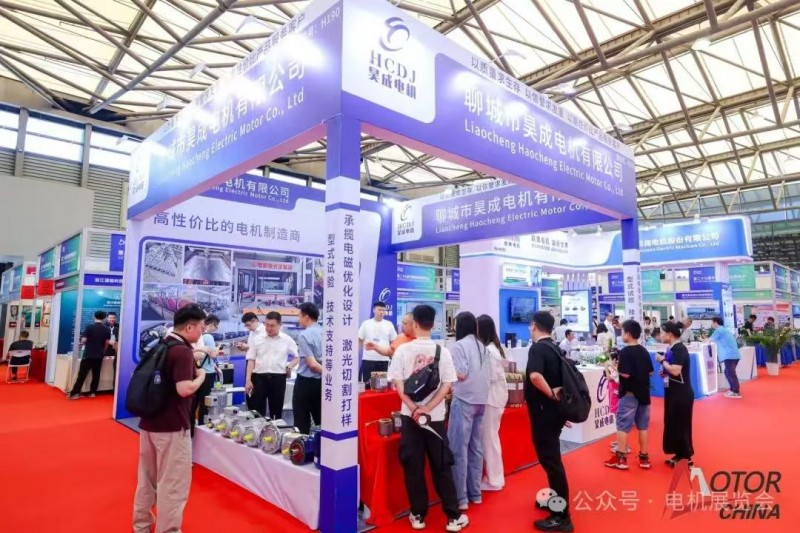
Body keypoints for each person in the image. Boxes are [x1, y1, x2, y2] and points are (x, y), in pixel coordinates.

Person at [388, 304, 469, 532]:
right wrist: (427, 409)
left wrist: (414, 408)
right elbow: (447, 385)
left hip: (410, 418)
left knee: (413, 467)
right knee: (442, 466)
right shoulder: (442, 351)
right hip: (435, 419)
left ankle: (418, 515)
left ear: (414, 324)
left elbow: (399, 386)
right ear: (433, 325)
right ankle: (453, 517)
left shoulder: (403, 351)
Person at [133, 304, 207, 533]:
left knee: (146, 479)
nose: (202, 332)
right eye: (201, 328)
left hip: (149, 423)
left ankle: (141, 525)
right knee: (173, 483)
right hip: (172, 427)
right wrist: (201, 376)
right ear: (190, 327)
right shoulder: (182, 352)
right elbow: (184, 389)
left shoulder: (161, 345)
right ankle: (168, 530)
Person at [525, 311, 572, 532]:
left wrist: (551, 396)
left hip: (544, 414)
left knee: (552, 463)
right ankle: (556, 502)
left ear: (534, 326)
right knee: (551, 461)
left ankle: (562, 516)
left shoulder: (538, 349)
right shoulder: (554, 347)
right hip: (553, 414)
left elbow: (535, 376)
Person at [448, 311, 490, 511]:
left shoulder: (458, 346)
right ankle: (475, 493)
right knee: (476, 447)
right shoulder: (482, 345)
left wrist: (446, 371)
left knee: (459, 449)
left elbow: (461, 373)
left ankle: (461, 497)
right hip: (481, 399)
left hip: (464, 399)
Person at [605, 320, 654, 470]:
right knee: (643, 427)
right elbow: (650, 372)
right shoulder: (644, 351)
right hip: (644, 394)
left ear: (628, 334)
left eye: (622, 332)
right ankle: (644, 458)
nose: (621, 335)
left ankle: (620, 458)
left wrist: (612, 366)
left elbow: (625, 374)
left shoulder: (626, 352)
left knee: (622, 426)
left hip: (629, 394)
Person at [245, 311, 298, 419]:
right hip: (258, 378)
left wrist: (289, 366)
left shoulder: (287, 339)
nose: (269, 328)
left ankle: (275, 429)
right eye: (267, 325)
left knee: (276, 412)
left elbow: (297, 357)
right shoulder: (257, 339)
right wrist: (248, 380)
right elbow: (251, 359)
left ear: (280, 325)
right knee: (257, 411)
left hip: (278, 379)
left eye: (272, 326)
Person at [656, 321, 695, 467]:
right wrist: (664, 371)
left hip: (682, 394)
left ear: (670, 334)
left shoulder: (680, 349)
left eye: (662, 333)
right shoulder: (671, 348)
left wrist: (662, 361)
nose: (660, 336)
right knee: (673, 423)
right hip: (672, 391)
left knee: (681, 425)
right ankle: (679, 454)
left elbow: (676, 370)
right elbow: (671, 369)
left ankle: (687, 457)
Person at [477, 314, 507, 492]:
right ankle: (493, 476)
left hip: (491, 399)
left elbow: (490, 377)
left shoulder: (490, 351)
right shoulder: (493, 348)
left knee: (489, 439)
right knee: (490, 438)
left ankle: (494, 479)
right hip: (494, 398)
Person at [293, 303, 323, 434]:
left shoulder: (304, 335)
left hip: (305, 384)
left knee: (301, 423)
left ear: (306, 317)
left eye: (299, 316)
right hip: (323, 384)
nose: (298, 319)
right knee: (322, 421)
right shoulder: (327, 333)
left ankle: (303, 446)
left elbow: (313, 365)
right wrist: (330, 375)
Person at [68, 310, 111, 399]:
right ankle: (92, 392)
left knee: (82, 375)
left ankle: (75, 393)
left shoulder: (89, 327)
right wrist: (103, 351)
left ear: (94, 317)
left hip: (88, 354)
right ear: (104, 318)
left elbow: (83, 340)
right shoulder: (107, 329)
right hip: (99, 355)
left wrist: (83, 342)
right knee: (96, 374)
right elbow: (107, 343)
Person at [191, 315, 220, 430]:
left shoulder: (199, 337)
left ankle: (191, 427)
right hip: (207, 373)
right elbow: (212, 355)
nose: (216, 329)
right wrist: (218, 349)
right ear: (211, 324)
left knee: (194, 402)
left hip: (196, 372)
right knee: (205, 403)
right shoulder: (209, 337)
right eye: (216, 327)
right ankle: (202, 428)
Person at [359, 302, 397, 384]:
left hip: (384, 359)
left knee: (382, 384)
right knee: (368, 384)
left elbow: (394, 341)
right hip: (368, 359)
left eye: (383, 310)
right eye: (379, 310)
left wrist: (392, 355)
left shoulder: (389, 324)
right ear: (374, 310)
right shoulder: (366, 324)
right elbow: (360, 339)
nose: (382, 312)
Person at [708, 317, 742, 399]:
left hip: (729, 355)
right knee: (728, 372)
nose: (711, 324)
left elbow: (710, 340)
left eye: (712, 322)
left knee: (730, 373)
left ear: (715, 322)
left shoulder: (719, 330)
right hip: (733, 354)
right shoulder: (725, 330)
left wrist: (702, 339)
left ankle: (736, 391)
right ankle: (733, 389)